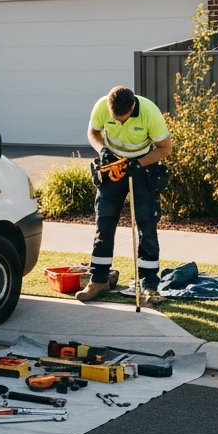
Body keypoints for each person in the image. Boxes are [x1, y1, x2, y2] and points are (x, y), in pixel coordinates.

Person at [76, 86, 172, 305]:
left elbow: (165, 148)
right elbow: (93, 133)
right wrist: (103, 152)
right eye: (114, 120)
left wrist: (137, 165)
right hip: (112, 166)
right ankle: (99, 280)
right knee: (104, 221)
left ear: (133, 107)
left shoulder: (150, 113)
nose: (118, 123)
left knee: (146, 223)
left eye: (123, 118)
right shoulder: (102, 106)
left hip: (142, 167)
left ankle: (148, 285)